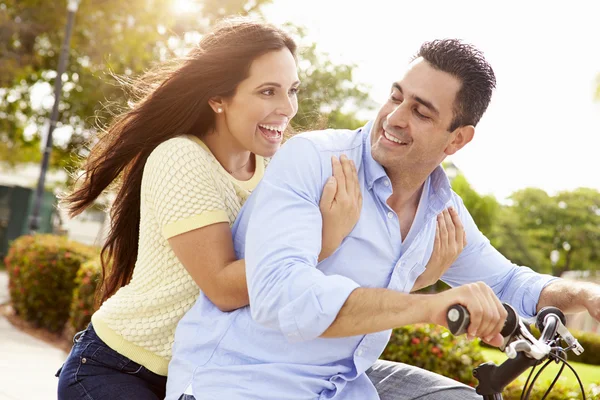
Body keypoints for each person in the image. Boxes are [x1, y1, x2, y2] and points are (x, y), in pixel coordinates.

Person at [166, 39, 600, 400]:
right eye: (396, 96)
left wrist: (583, 294)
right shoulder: (314, 162)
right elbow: (281, 294)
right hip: (239, 382)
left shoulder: (441, 212)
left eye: (421, 111)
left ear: (458, 139)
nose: (394, 117)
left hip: (342, 388)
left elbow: (510, 282)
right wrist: (430, 306)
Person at [56, 18, 369, 400]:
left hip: (203, 377)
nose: (288, 108)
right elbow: (222, 287)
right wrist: (324, 239)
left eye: (292, 90)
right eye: (268, 91)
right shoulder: (181, 158)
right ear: (218, 98)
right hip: (119, 369)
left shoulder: (276, 167)